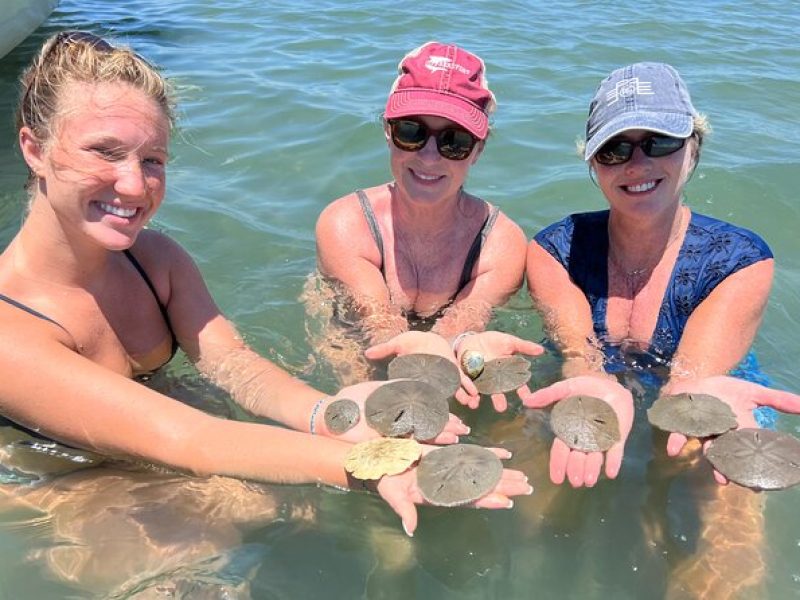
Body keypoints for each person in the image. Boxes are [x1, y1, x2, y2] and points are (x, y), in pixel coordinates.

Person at [0, 31, 532, 537]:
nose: (135, 184)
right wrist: (368, 463)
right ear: (33, 148)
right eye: (104, 151)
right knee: (237, 532)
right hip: (49, 487)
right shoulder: (10, 331)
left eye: (152, 160)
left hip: (158, 444)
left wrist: (331, 415)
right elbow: (191, 438)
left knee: (296, 512)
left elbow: (234, 364)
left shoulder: (156, 260)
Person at [308, 41, 528, 385]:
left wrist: (463, 349)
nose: (428, 157)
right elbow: (377, 328)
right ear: (387, 130)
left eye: (454, 141)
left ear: (478, 151)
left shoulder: (500, 244)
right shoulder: (346, 225)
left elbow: (461, 326)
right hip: (354, 347)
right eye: (411, 131)